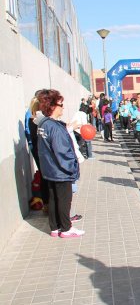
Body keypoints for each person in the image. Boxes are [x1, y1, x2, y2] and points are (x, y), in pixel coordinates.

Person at [36, 89, 84, 238]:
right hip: (60, 170)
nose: (63, 107)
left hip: (50, 170)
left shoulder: (44, 123)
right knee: (64, 199)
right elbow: (62, 152)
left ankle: (55, 227)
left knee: (53, 198)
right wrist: (72, 168)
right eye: (61, 104)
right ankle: (66, 228)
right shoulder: (54, 128)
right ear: (52, 106)